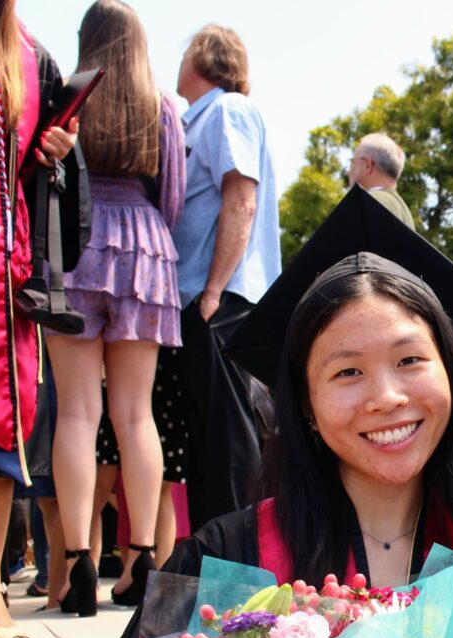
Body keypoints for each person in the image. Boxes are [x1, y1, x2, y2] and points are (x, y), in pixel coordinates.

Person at [64, 195, 453, 638]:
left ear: (450, 369)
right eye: (347, 371)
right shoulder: (224, 561)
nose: (386, 398)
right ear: (304, 403)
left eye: (409, 360)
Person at [42, 0, 185, 616]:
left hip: (74, 242)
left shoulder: (65, 97)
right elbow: (173, 196)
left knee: (77, 411)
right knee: (136, 415)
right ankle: (142, 560)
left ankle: (76, 562)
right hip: (146, 247)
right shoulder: (162, 108)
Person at [0, 0, 79, 638]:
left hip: (3, 264)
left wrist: (52, 151)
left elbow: (23, 170)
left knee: (1, 434)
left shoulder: (26, 51)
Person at [172, 24, 281, 530]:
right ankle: (215, 576)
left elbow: (241, 198)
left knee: (231, 444)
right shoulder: (199, 119)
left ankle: (241, 574)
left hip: (222, 298)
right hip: (204, 298)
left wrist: (213, 291)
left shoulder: (226, 110)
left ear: (203, 57)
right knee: (206, 445)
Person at [346, 132, 414, 230]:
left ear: (367, 164)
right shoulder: (403, 212)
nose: (348, 172)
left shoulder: (366, 204)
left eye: (352, 162)